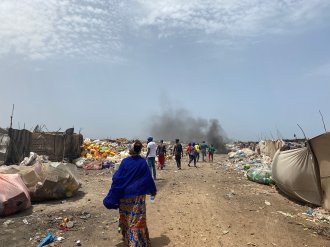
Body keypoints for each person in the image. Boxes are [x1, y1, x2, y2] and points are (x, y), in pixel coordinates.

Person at [103, 140, 157, 247]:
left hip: (125, 196)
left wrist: (115, 192)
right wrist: (152, 191)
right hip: (138, 197)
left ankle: (128, 239)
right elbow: (147, 179)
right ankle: (136, 242)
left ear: (130, 150)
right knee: (137, 220)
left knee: (127, 218)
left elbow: (118, 178)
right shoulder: (142, 162)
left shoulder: (125, 162)